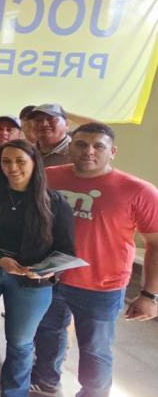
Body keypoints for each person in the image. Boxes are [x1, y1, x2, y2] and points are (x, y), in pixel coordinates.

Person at [31, 123, 158, 397]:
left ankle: (93, 393)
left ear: (111, 151)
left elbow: (155, 245)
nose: (88, 151)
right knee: (46, 337)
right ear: (70, 147)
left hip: (101, 287)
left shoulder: (139, 191)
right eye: (81, 144)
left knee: (95, 350)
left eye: (98, 146)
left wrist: (149, 294)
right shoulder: (48, 177)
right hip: (50, 279)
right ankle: (45, 384)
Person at [0, 139, 76, 397]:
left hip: (31, 280)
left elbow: (67, 250)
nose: (13, 167)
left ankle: (14, 391)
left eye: (20, 161)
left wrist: (48, 270)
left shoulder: (54, 202)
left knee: (21, 342)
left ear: (35, 164)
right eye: (6, 161)